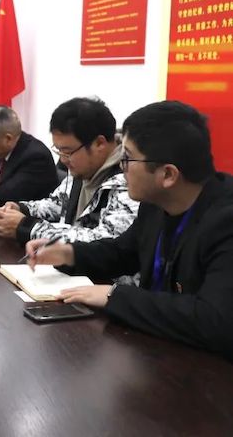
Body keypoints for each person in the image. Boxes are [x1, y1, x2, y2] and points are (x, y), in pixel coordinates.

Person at [25, 101, 233, 360]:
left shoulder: (225, 221)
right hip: (154, 351)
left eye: (127, 159)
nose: (121, 169)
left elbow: (215, 320)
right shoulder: (156, 204)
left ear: (168, 175)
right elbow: (123, 252)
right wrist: (68, 253)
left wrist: (114, 296)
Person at [0, 97, 138, 247]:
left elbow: (104, 241)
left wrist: (27, 227)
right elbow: (57, 204)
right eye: (59, 151)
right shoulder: (83, 168)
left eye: (67, 152)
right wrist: (21, 209)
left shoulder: (129, 181)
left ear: (99, 143)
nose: (63, 160)